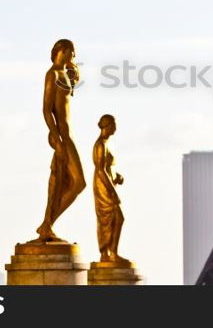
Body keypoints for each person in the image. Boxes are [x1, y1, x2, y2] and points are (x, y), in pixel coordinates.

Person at [35, 39, 85, 242]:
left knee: (70, 183)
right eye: (72, 52)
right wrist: (57, 139)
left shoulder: (64, 74)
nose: (74, 56)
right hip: (62, 136)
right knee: (77, 182)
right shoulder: (53, 74)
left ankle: (47, 224)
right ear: (62, 51)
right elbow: (47, 110)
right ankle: (47, 224)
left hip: (67, 135)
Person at [92, 114, 130, 264]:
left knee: (116, 218)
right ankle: (107, 253)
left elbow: (108, 168)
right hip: (103, 186)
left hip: (108, 183)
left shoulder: (107, 143)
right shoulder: (100, 145)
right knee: (110, 218)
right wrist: (113, 192)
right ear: (107, 126)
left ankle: (112, 252)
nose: (115, 128)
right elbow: (101, 170)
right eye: (114, 125)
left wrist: (117, 177)